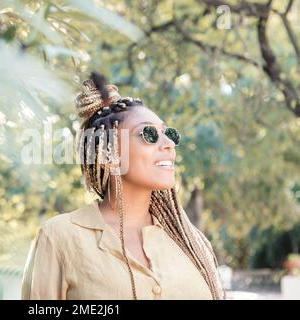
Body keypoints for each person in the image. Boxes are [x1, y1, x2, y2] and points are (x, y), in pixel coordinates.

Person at [21, 72, 225, 300]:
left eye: (169, 134)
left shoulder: (191, 242)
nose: (168, 144)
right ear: (109, 155)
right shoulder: (59, 236)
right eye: (148, 134)